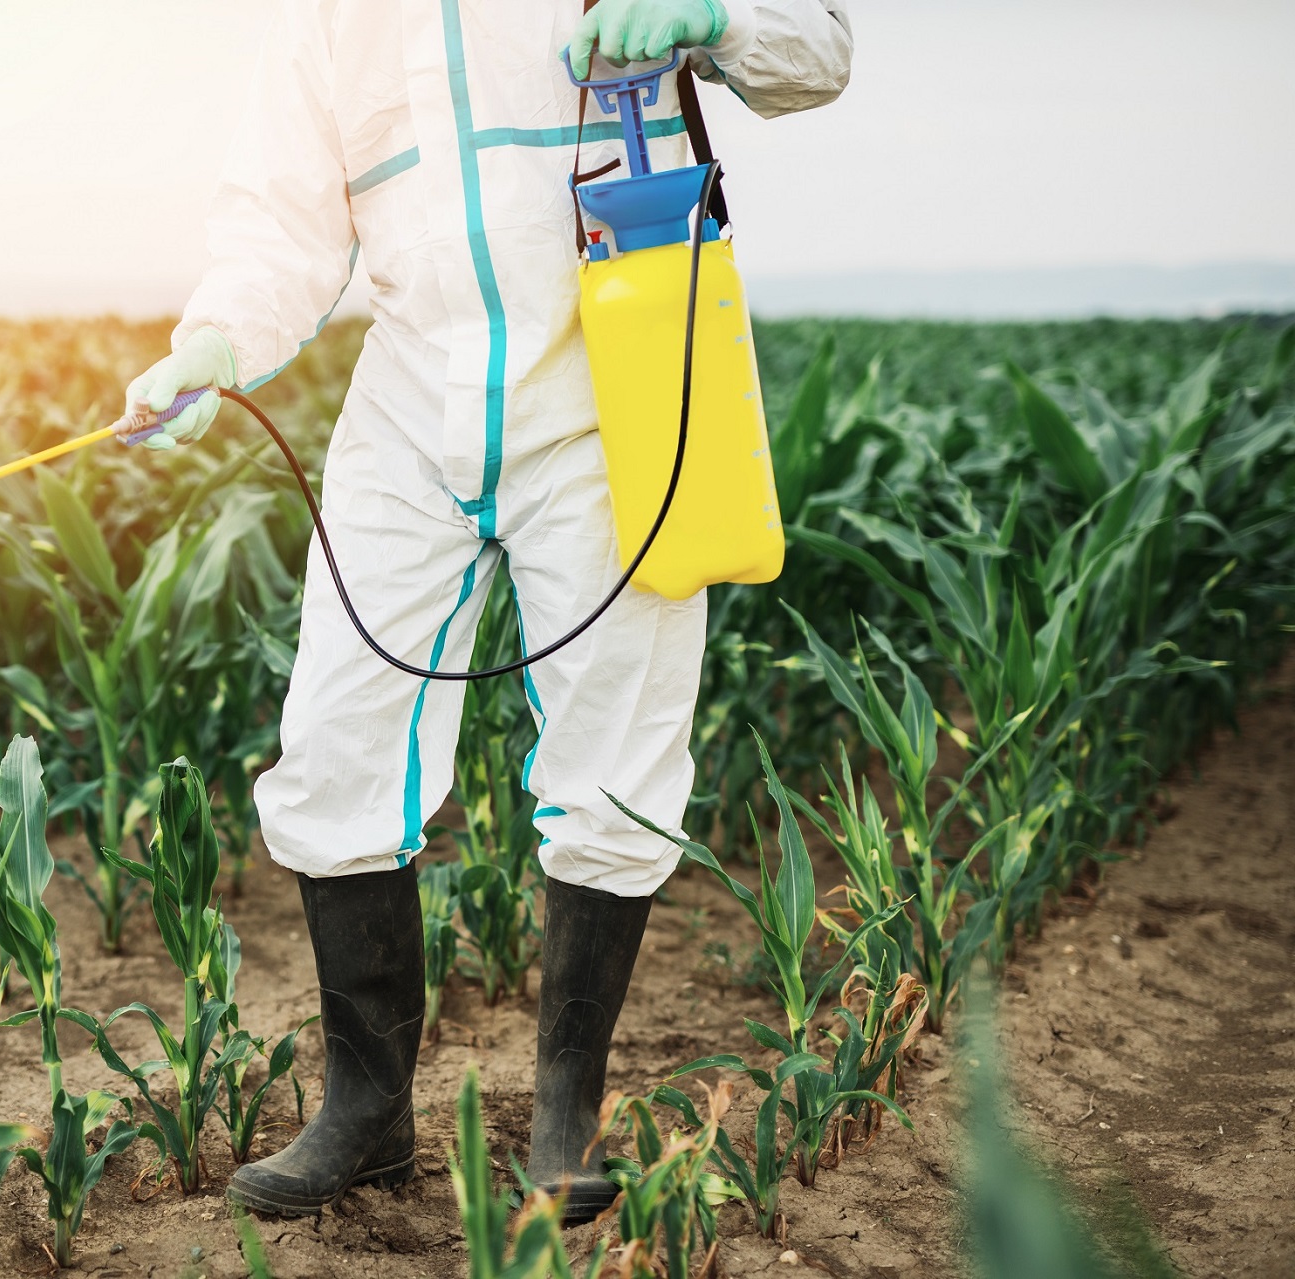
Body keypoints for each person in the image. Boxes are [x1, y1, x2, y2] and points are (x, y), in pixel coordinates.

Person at [127, 0, 852, 1223]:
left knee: (616, 751)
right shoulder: (326, 22)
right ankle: (366, 1112)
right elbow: (279, 230)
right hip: (413, 398)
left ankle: (566, 1113)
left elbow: (817, 54)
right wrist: (213, 337)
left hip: (614, 384)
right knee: (337, 741)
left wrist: (713, 14)